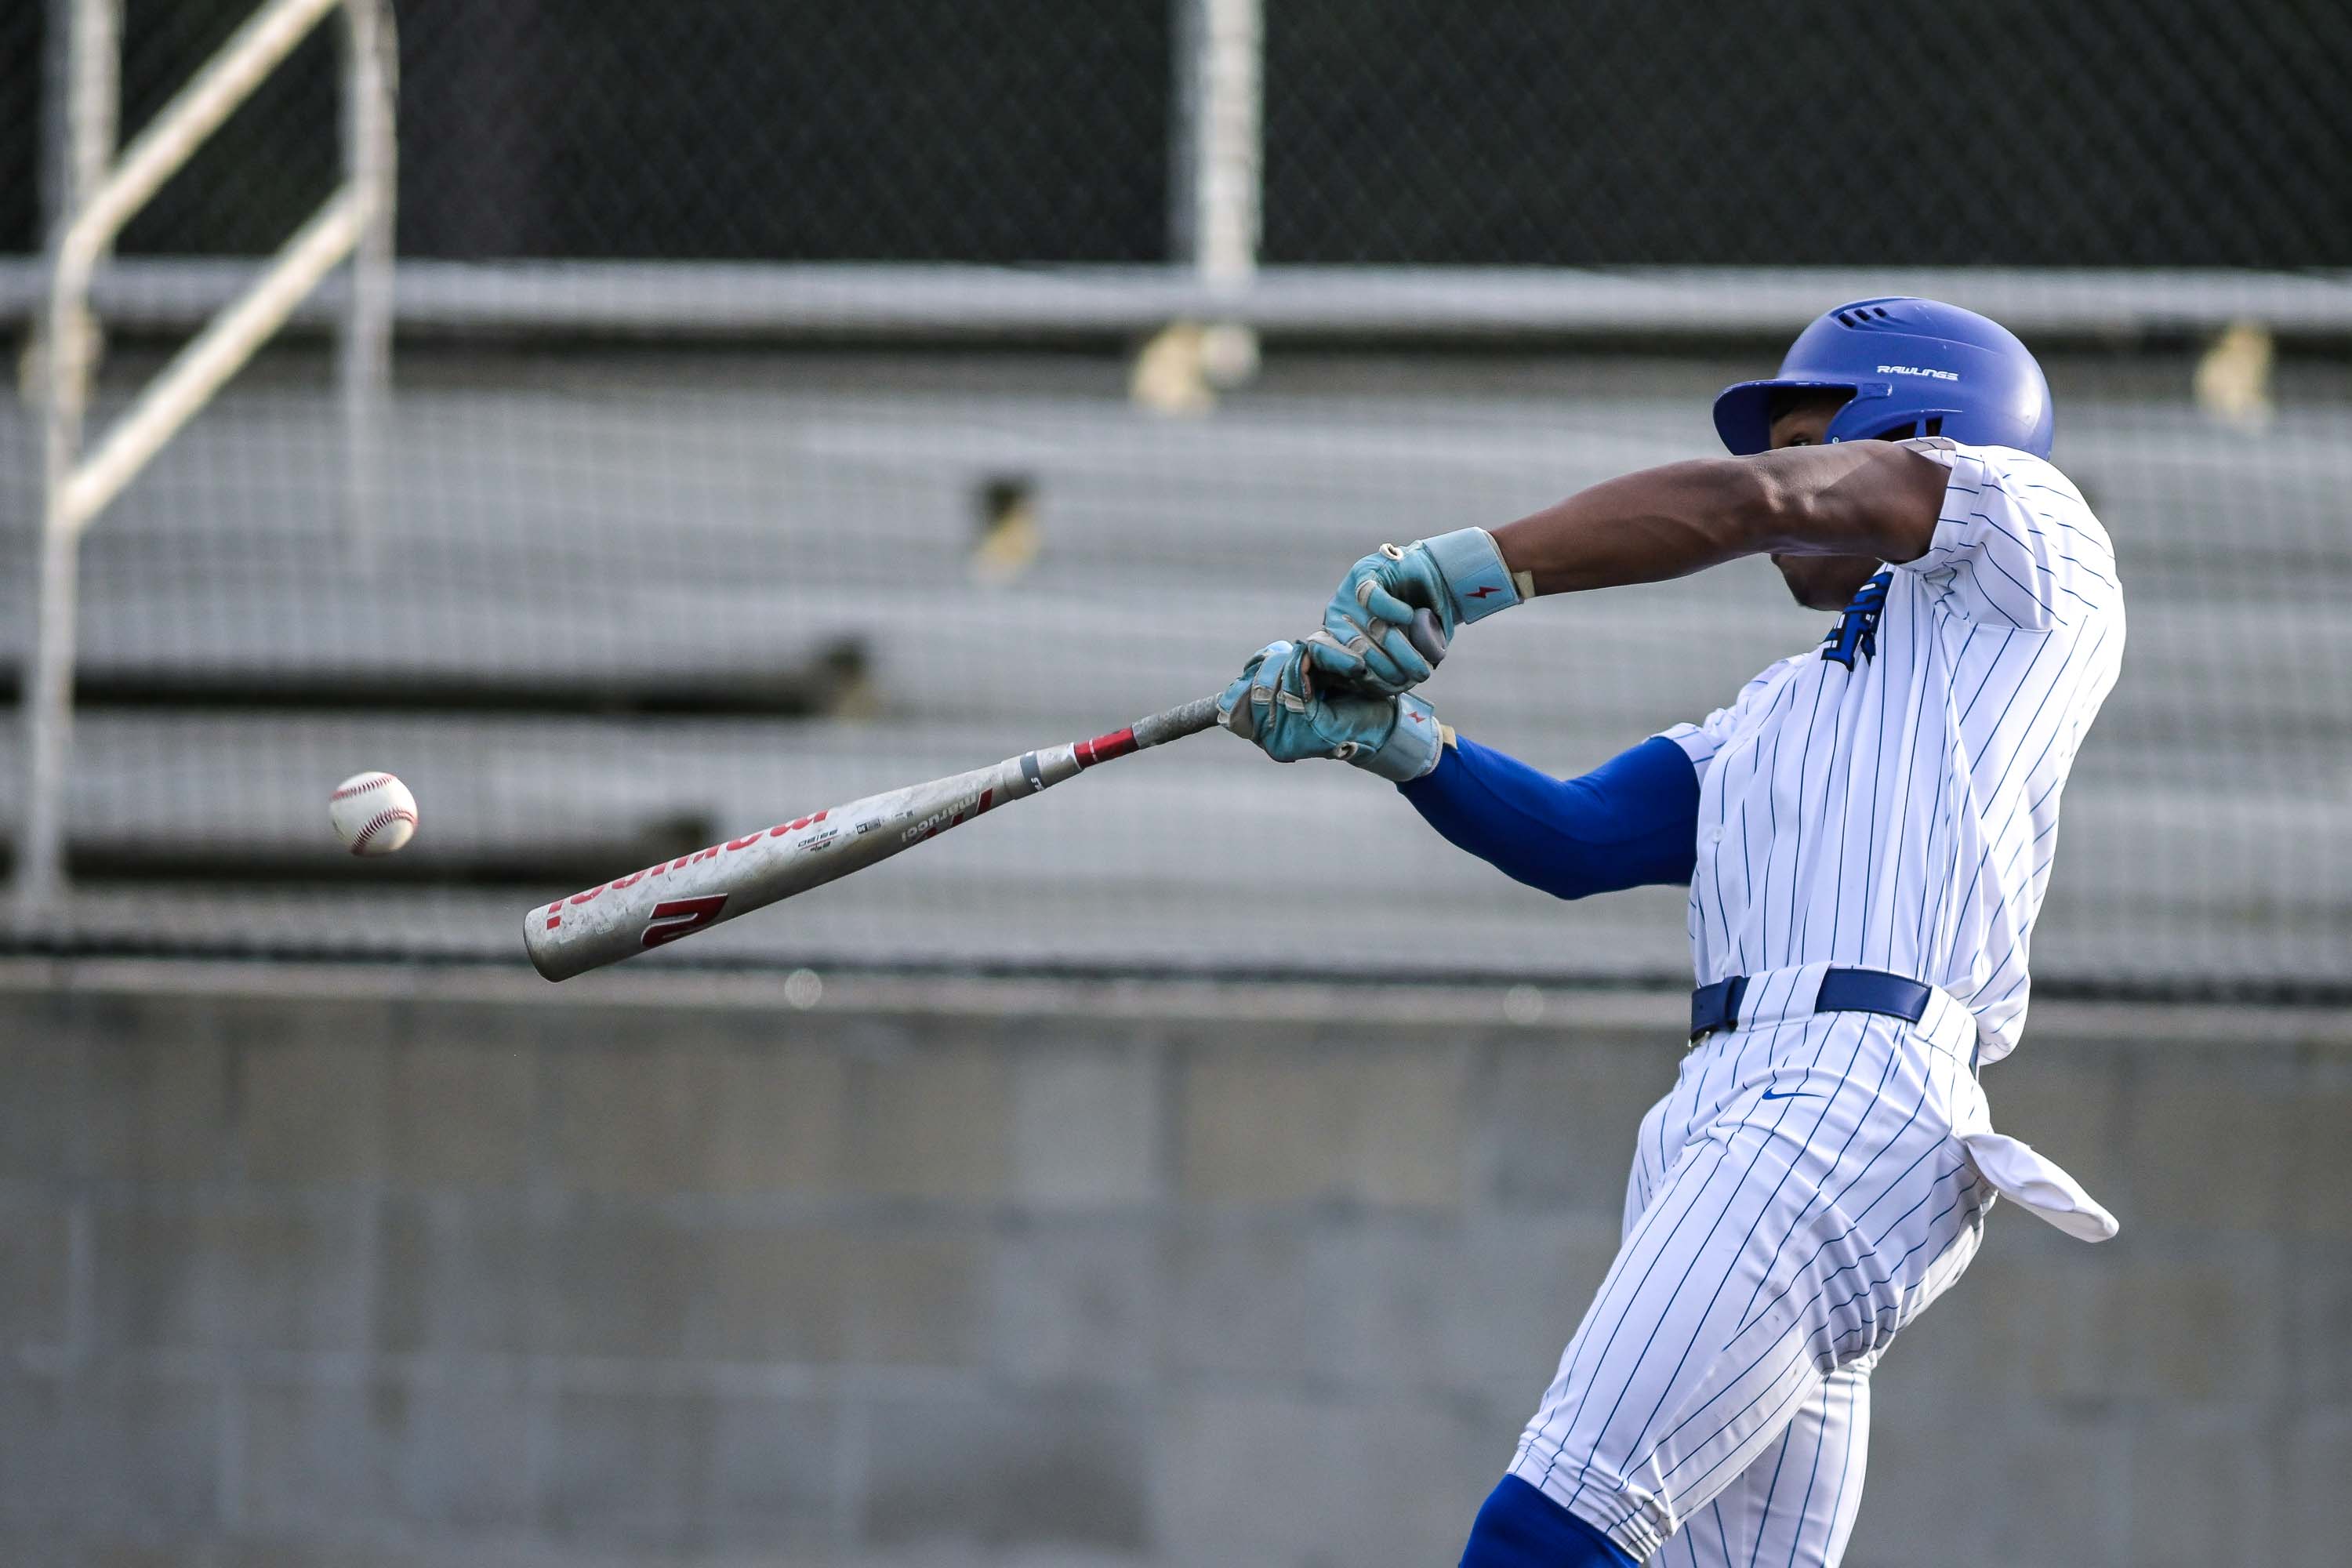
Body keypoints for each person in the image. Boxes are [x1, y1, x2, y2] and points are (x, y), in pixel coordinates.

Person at [1217, 298, 2124, 1567]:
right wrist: (1394, 742)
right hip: (1734, 1107)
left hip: (1842, 1097)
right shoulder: (1784, 707)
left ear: (1923, 420)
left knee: (1543, 1535)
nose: (1780, 466)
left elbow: (1767, 503)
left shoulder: (2038, 544)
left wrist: (1471, 571)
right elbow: (1578, 842)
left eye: (1807, 434)